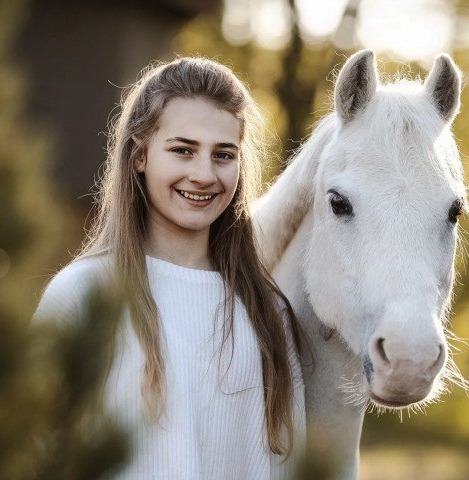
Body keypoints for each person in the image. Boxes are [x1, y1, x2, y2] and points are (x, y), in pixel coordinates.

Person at [34, 57, 305, 479]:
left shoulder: (267, 312)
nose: (203, 174)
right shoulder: (81, 295)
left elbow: (295, 464)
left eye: (223, 155)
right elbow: (34, 454)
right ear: (140, 155)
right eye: (183, 150)